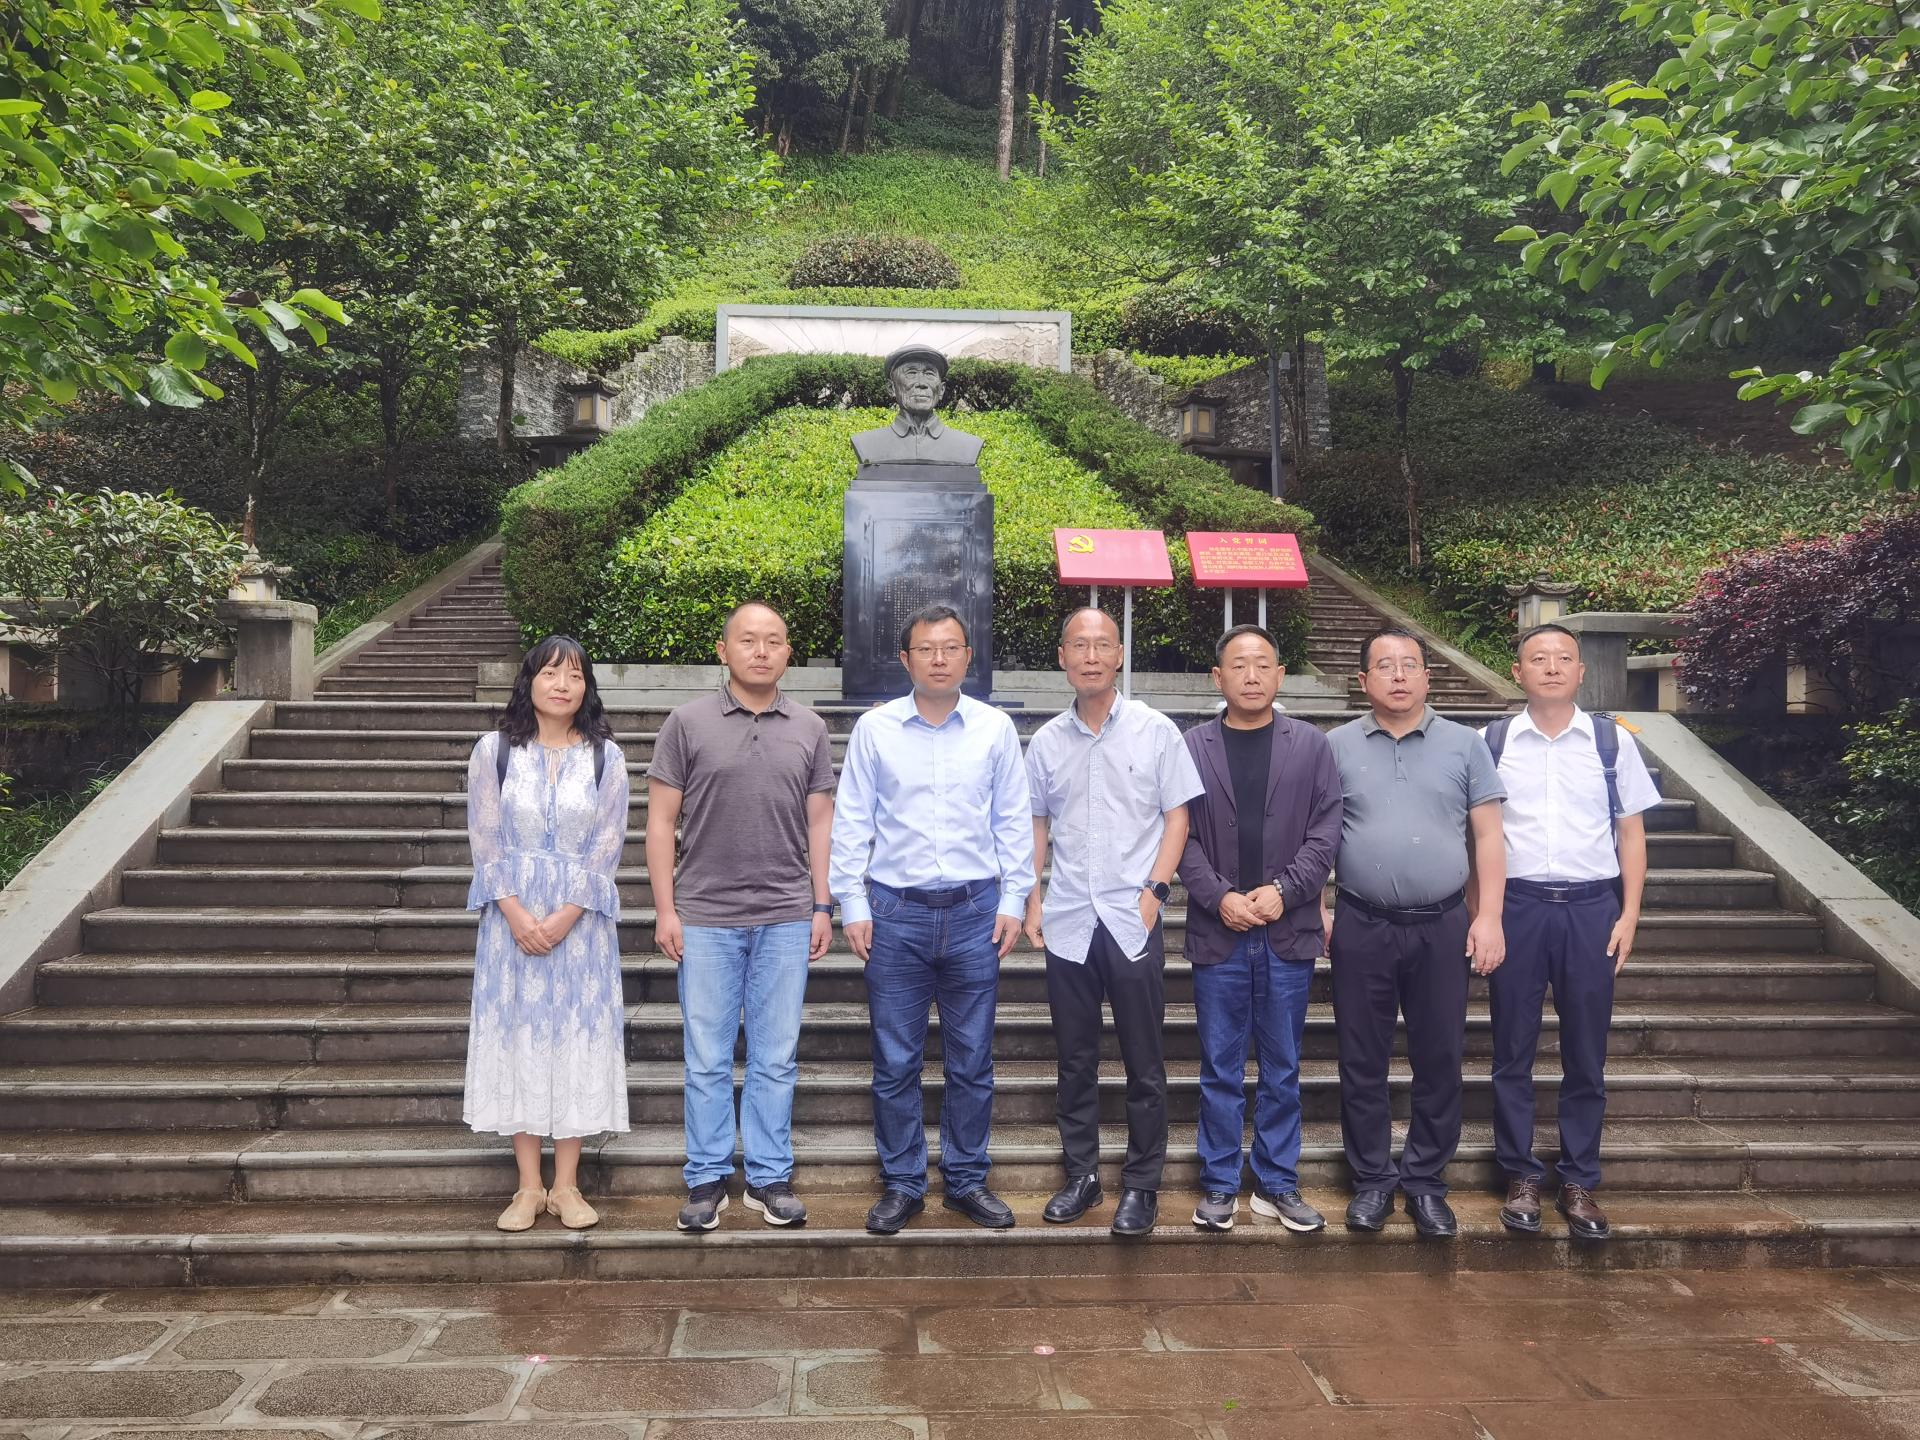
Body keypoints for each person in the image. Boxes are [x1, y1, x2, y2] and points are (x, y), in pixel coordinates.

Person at [829, 604, 1035, 1234]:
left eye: (950, 648)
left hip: (975, 912)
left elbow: (1012, 819)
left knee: (972, 1058)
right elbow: (852, 818)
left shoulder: (995, 729)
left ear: (968, 657)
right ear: (906, 659)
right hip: (895, 913)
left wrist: (1014, 899)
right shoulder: (876, 729)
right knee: (896, 1060)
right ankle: (903, 1183)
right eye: (926, 649)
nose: (939, 659)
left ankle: (967, 1179)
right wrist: (852, 902)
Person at [647, 602, 837, 1233]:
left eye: (774, 640)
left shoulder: (810, 727)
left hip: (785, 914)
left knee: (775, 1055)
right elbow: (660, 821)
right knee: (706, 1056)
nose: (761, 650)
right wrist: (666, 909)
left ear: (788, 653)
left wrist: (822, 903)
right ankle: (706, 1178)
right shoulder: (686, 722)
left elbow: (820, 823)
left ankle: (768, 1176)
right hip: (705, 915)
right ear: (723, 651)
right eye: (748, 640)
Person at [1024, 607, 1205, 1237]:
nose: (1091, 656)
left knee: (1143, 1060)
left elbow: (1178, 817)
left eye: (1103, 645)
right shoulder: (1047, 742)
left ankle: (1142, 1184)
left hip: (1132, 920)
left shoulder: (1156, 731)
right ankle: (1081, 1176)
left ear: (1120, 655)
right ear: (1063, 658)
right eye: (1079, 645)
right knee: (1074, 1059)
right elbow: (1036, 825)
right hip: (1070, 918)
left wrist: (1156, 891)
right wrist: (1032, 898)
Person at [1326, 626, 1506, 1239]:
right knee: (1361, 1057)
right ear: (1363, 680)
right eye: (1385, 665)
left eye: (1410, 664)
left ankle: (1426, 1180)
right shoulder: (1335, 746)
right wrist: (1318, 907)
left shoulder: (1465, 745)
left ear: (1428, 676)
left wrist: (1489, 916)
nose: (1398, 675)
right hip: (1361, 923)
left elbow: (1488, 835)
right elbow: (1317, 834)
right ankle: (1372, 1180)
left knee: (1440, 1056)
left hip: (1443, 925)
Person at [1486, 623, 1658, 1241]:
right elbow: (1477, 834)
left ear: (1582, 671)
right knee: (1512, 1049)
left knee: (1587, 1052)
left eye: (1564, 658)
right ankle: (1520, 1174)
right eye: (1539, 658)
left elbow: (1630, 834)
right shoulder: (1492, 742)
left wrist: (1629, 914)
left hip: (1590, 910)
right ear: (1518, 672)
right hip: (1518, 907)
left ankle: (1580, 1179)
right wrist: (1485, 913)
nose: (1552, 667)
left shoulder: (1613, 742)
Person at [1178, 625, 1344, 1234]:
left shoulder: (1311, 746)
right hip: (1218, 930)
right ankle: (1220, 1183)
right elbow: (1177, 834)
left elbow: (1326, 830)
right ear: (1217, 677)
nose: (1251, 675)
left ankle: (1276, 1182)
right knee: (1220, 1067)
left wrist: (1284, 890)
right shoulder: (1191, 746)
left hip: (1287, 929)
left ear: (1280, 674)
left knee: (1282, 1066)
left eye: (1263, 664)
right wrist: (1219, 895)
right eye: (1238, 665)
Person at [464, 635, 629, 1233]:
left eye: (576, 676)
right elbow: (485, 839)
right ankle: (528, 1186)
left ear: (587, 688)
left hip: (581, 926)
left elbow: (607, 845)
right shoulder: (494, 752)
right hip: (511, 922)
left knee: (576, 1039)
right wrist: (514, 912)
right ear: (529, 680)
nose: (563, 685)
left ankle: (567, 1185)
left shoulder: (607, 757)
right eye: (552, 673)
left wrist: (565, 914)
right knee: (520, 1037)